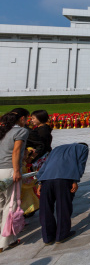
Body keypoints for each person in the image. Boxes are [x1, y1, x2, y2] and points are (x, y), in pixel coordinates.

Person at [37, 142, 89, 245]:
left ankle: (48, 237)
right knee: (63, 207)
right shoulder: (83, 148)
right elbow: (80, 164)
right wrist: (75, 181)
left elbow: (45, 165)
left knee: (45, 209)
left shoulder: (57, 148)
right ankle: (62, 234)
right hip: (65, 179)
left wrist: (40, 182)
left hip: (46, 179)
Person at [0, 108, 29, 252]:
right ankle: (4, 241)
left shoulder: (2, 130)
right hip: (9, 169)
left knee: (0, 203)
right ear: (22, 119)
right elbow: (16, 151)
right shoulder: (21, 131)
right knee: (10, 204)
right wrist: (17, 170)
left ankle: (6, 237)